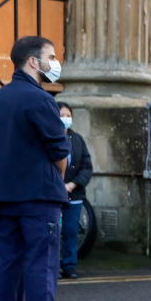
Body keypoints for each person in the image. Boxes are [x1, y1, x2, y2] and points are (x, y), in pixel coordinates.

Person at [0, 36, 82, 301]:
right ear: (33, 61)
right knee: (41, 261)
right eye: (51, 56)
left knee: (7, 259)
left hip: (4, 194)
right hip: (38, 194)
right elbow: (59, 151)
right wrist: (59, 178)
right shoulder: (40, 99)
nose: (54, 62)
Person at [58, 103, 92, 279]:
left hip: (74, 195)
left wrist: (73, 184)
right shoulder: (50, 138)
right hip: (54, 195)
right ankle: (53, 265)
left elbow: (86, 166)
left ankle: (69, 266)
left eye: (68, 115)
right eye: (62, 115)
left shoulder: (77, 139)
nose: (66, 118)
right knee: (54, 232)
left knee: (71, 232)